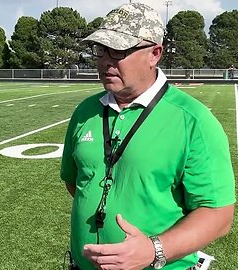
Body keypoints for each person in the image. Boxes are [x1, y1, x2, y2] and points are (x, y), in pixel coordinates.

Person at [61, 3, 235, 270]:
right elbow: (77, 184)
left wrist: (154, 249)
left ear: (154, 53)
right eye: (100, 49)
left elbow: (218, 215)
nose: (106, 59)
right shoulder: (85, 112)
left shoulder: (193, 120)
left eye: (118, 50)